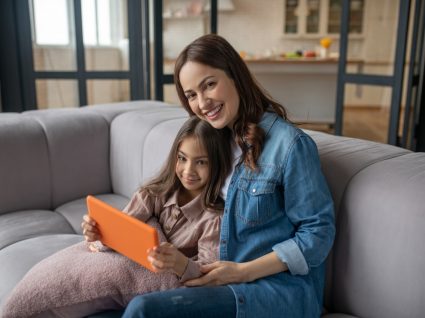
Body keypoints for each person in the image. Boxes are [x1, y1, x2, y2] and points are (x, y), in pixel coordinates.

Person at [123, 34, 336, 318]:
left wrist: (243, 273)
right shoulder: (213, 139)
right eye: (191, 95)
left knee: (142, 310)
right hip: (215, 278)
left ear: (235, 75)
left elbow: (318, 234)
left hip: (273, 291)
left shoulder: (290, 145)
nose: (202, 103)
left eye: (209, 84)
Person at [82, 116, 232, 281]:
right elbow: (120, 229)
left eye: (201, 162)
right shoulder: (152, 194)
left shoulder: (213, 220)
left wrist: (180, 263)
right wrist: (99, 234)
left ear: (218, 164)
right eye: (182, 158)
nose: (188, 170)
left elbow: (209, 273)